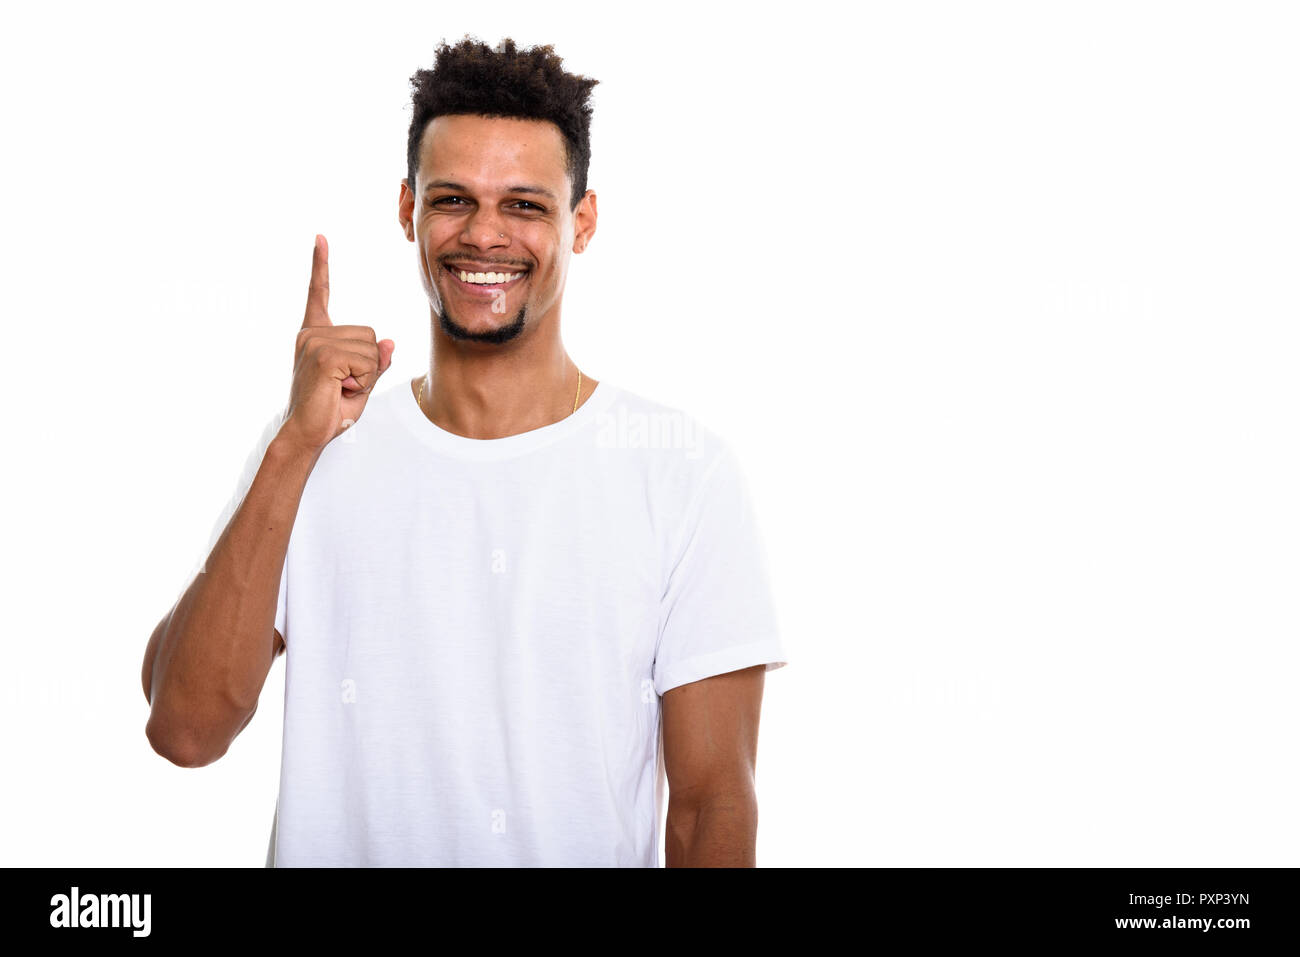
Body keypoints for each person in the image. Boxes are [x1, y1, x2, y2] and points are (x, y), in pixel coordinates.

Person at [141, 36, 788, 868]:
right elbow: (185, 729)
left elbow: (711, 809)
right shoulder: (312, 446)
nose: (485, 235)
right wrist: (293, 448)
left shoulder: (682, 473)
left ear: (580, 222)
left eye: (524, 204)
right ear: (407, 210)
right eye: (453, 199)